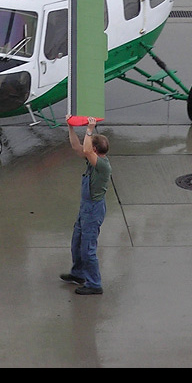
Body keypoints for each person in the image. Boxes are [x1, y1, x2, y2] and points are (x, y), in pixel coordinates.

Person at [61, 115, 111, 295]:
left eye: (90, 146)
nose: (86, 148)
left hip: (93, 210)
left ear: (95, 150)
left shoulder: (102, 165)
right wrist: (71, 127)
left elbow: (87, 150)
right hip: (86, 208)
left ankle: (94, 284)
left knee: (88, 249)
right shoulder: (93, 161)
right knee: (77, 243)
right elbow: (77, 147)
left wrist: (90, 129)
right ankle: (78, 273)